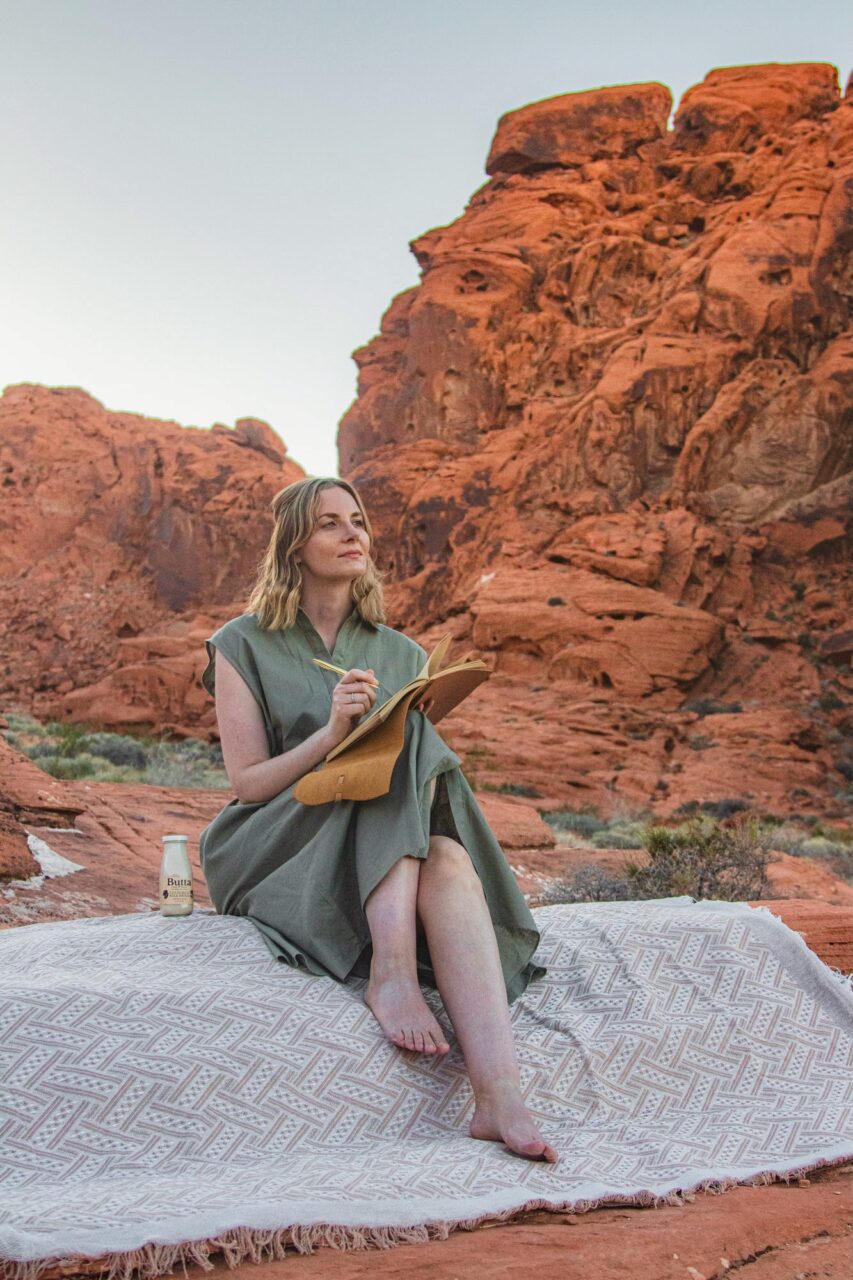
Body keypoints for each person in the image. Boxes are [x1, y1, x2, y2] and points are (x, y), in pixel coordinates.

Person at [198, 476, 557, 1163]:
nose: (351, 533)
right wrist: (331, 736)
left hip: (372, 844)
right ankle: (390, 972)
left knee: (445, 850)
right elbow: (246, 785)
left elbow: (406, 779)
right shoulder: (240, 642)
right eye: (330, 523)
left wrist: (379, 735)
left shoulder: (399, 653)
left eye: (358, 521)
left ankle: (499, 1096)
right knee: (397, 740)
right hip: (275, 836)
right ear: (295, 545)